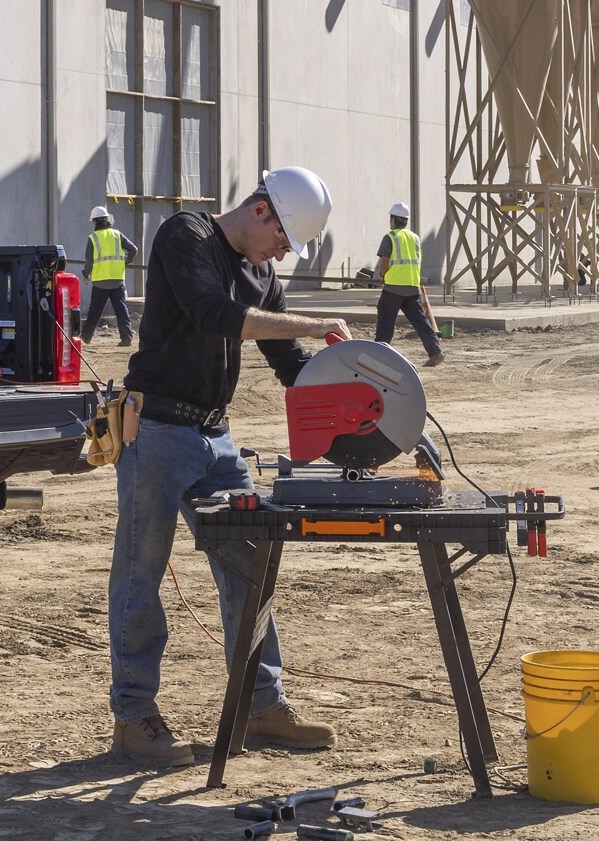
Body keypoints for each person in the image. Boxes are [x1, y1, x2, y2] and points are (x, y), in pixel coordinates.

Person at [109, 166, 351, 767]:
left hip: (216, 438)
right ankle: (134, 718)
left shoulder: (263, 275)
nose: (281, 255)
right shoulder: (183, 235)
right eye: (283, 241)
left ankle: (262, 706)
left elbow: (290, 364)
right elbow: (214, 314)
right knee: (142, 573)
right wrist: (318, 323)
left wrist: (356, 412)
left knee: (251, 565)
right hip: (157, 430)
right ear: (262, 210)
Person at [373, 202, 445, 367]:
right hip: (412, 287)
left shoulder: (390, 237)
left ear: (392, 220)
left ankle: (377, 355)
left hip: (393, 288)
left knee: (385, 321)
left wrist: (383, 275)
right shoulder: (415, 238)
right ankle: (435, 352)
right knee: (420, 321)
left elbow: (384, 262)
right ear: (405, 220)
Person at [81, 206, 139, 346]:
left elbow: (89, 261)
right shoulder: (117, 234)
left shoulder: (93, 238)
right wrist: (125, 260)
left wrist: (86, 274)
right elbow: (133, 249)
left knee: (94, 312)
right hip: (118, 279)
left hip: (101, 281)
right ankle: (126, 338)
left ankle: (85, 338)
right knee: (121, 310)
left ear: (95, 221)